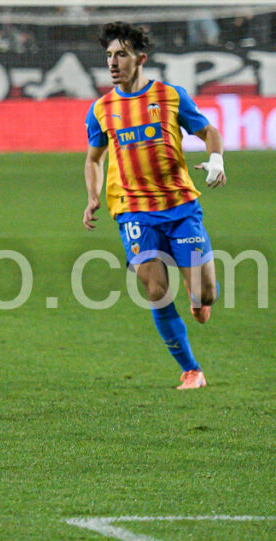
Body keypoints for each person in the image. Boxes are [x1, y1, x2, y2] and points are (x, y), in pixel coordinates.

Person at [83, 22, 226, 390]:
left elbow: (209, 131)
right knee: (156, 290)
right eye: (109, 55)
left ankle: (199, 299)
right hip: (133, 211)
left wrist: (216, 160)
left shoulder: (170, 96)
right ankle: (191, 370)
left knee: (206, 293)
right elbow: (94, 159)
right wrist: (93, 196)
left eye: (122, 54)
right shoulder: (101, 109)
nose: (113, 62)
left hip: (179, 206)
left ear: (141, 58)